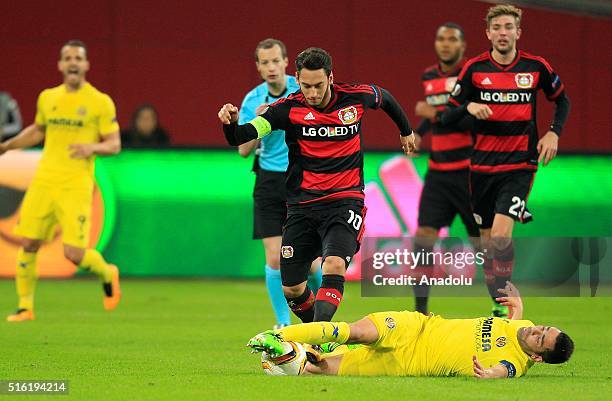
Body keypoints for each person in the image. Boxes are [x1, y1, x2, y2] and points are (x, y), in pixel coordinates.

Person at [219, 47, 416, 323]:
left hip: (345, 201)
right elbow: (241, 136)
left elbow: (386, 99)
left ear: (331, 78)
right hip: (302, 207)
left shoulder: (355, 96)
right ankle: (319, 336)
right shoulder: (285, 110)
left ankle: (319, 338)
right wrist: (231, 124)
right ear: (297, 79)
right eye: (306, 85)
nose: (313, 93)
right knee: (292, 287)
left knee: (333, 264)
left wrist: (405, 130)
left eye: (319, 85)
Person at [440, 4, 570, 317]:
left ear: (518, 32)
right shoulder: (474, 69)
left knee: (500, 235)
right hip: (482, 168)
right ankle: (500, 304)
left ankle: (509, 308)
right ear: (488, 33)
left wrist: (553, 133)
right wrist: (468, 108)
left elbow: (561, 99)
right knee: (487, 245)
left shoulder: (535, 67)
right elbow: (447, 117)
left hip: (520, 165)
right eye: (497, 27)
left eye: (508, 27)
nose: (503, 33)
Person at [0, 40, 122, 322]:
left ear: (86, 65)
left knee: (74, 254)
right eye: (68, 58)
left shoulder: (99, 102)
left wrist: (92, 148)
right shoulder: (48, 98)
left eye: (78, 58)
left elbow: (114, 145)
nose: (73, 63)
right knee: (28, 242)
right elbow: (38, 130)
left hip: (75, 184)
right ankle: (25, 307)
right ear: (60, 65)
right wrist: (7, 146)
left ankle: (106, 272)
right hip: (44, 180)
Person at [247, 282, 574, 378]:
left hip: (410, 364)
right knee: (355, 331)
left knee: (319, 369)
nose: (536, 333)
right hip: (415, 326)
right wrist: (518, 306)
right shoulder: (525, 327)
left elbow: (502, 371)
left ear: (538, 358)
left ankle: (285, 359)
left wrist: (489, 376)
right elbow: (517, 320)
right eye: (543, 329)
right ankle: (279, 336)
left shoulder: (515, 364)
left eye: (540, 340)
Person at [238, 38, 322, 329]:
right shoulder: (252, 101)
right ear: (258, 67)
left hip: (303, 178)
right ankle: (284, 323)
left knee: (312, 263)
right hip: (269, 182)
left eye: (276, 61)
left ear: (286, 62)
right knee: (275, 259)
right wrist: (260, 124)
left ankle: (322, 319)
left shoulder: (304, 90)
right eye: (265, 62)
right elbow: (243, 149)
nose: (271, 67)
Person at [411, 23, 480, 315]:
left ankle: (502, 305)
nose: (446, 44)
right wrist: (418, 132)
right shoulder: (429, 75)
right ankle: (420, 313)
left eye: (452, 39)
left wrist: (433, 114)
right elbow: (437, 116)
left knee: (483, 241)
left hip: (469, 172)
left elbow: (470, 120)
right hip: (438, 172)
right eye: (441, 38)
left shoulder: (472, 76)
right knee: (423, 236)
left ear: (463, 46)